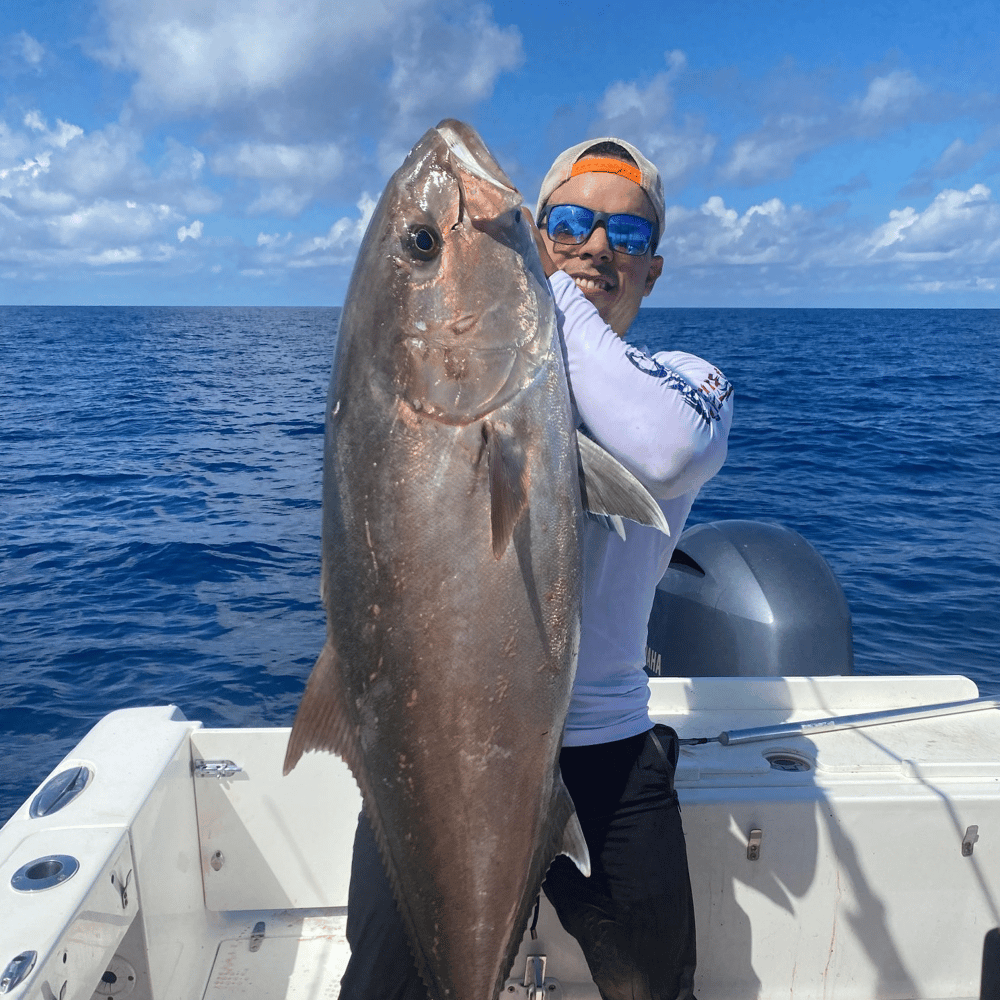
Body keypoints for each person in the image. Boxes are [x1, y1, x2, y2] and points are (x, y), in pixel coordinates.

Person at [339, 137, 733, 1000]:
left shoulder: (687, 381)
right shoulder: (466, 387)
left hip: (609, 744)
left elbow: (661, 450)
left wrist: (533, 278)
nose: (597, 248)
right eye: (568, 225)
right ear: (536, 231)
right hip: (445, 747)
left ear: (654, 271)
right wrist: (492, 274)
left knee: (655, 985)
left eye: (625, 238)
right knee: (379, 984)